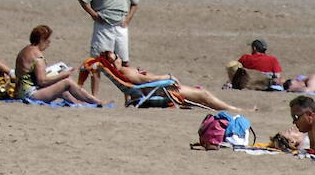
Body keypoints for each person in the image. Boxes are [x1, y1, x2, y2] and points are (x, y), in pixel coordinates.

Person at [93, 51, 245, 113]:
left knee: (201, 95)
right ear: (113, 63)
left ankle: (229, 108)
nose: (118, 59)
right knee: (203, 95)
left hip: (158, 88)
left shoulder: (122, 72)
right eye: (115, 58)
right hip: (162, 89)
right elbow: (147, 80)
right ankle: (234, 109)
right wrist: (168, 77)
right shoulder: (126, 71)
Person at [13, 24, 101, 105]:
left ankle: (78, 102)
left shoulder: (26, 50)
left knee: (63, 90)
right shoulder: (37, 55)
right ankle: (95, 101)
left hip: (20, 91)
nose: (49, 43)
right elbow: (42, 81)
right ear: (41, 40)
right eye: (47, 40)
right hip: (30, 94)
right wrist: (62, 75)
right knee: (67, 82)